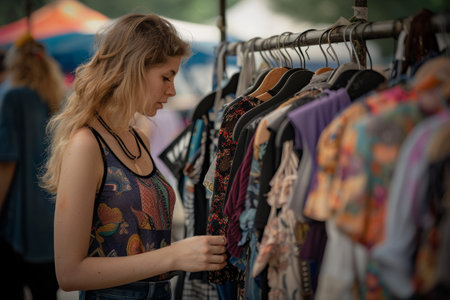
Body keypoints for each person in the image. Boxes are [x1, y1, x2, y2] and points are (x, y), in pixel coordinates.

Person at [41, 13, 227, 299]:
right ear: (135, 69)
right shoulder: (86, 145)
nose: (172, 89)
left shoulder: (136, 137)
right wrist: (174, 256)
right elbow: (69, 273)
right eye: (166, 76)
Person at [0, 34, 65, 299]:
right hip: (52, 216)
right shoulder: (56, 100)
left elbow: (7, 163)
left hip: (19, 218)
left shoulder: (13, 98)